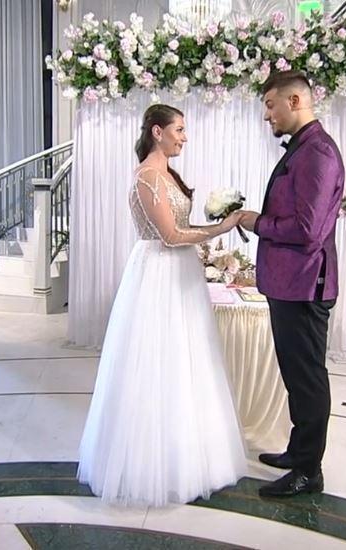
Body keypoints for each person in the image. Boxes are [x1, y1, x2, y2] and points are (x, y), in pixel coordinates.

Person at [78, 104, 247, 507]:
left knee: (188, 360)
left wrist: (215, 224)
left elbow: (179, 229)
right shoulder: (148, 177)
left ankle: (188, 458)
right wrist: (221, 228)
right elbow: (170, 236)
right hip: (158, 274)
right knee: (158, 363)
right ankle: (152, 465)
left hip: (179, 273)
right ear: (158, 132)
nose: (184, 137)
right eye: (179, 130)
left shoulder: (167, 174)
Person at [238, 71, 345, 497]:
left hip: (304, 286)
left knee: (308, 379)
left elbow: (308, 230)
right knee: (296, 376)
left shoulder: (317, 153)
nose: (267, 115)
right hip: (289, 284)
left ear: (295, 101)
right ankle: (299, 451)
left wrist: (257, 222)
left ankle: (308, 471)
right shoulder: (302, 148)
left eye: (270, 105)